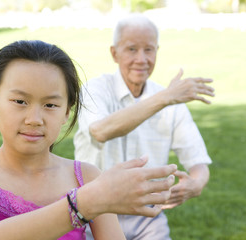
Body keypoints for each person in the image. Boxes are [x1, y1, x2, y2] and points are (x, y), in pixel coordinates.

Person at [0, 40, 179, 240]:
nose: (34, 119)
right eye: (20, 101)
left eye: (50, 105)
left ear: (67, 112)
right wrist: (82, 205)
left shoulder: (86, 177)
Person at [74, 14, 215, 240]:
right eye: (131, 49)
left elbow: (198, 160)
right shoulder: (95, 90)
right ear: (114, 53)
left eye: (149, 50)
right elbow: (100, 131)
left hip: (148, 217)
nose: (141, 59)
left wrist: (196, 183)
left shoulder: (170, 101)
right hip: (94, 211)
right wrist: (165, 97)